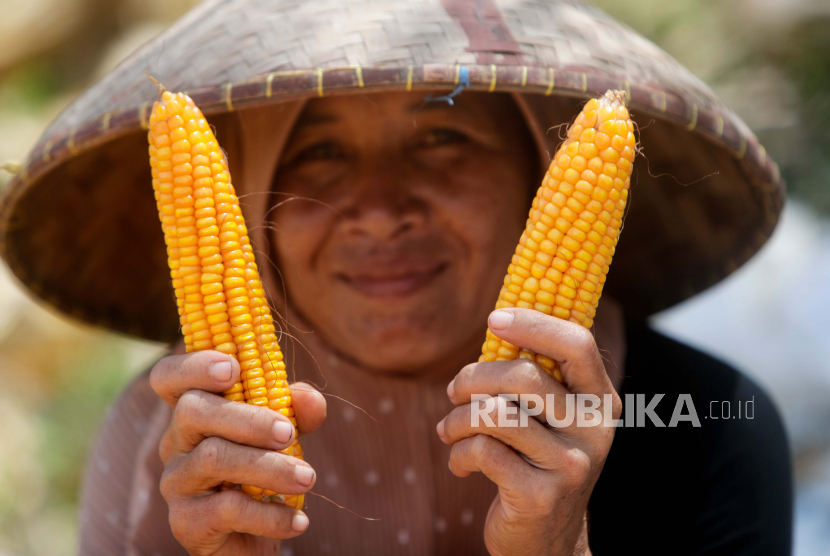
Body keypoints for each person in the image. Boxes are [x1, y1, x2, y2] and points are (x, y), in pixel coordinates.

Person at [0, 1, 791, 555]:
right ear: (250, 201)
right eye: (319, 153)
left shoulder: (703, 425)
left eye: (442, 137)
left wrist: (556, 546)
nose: (379, 212)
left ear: (536, 174)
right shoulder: (163, 443)